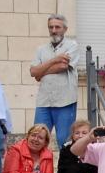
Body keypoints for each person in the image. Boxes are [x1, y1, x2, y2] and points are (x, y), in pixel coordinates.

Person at [30, 14, 79, 147]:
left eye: (57, 27)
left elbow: (63, 66)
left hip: (65, 101)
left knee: (64, 141)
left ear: (65, 29)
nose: (54, 30)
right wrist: (54, 60)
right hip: (44, 101)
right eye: (51, 27)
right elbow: (33, 72)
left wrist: (41, 72)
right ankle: (39, 168)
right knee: (37, 138)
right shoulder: (41, 49)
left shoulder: (72, 46)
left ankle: (63, 168)